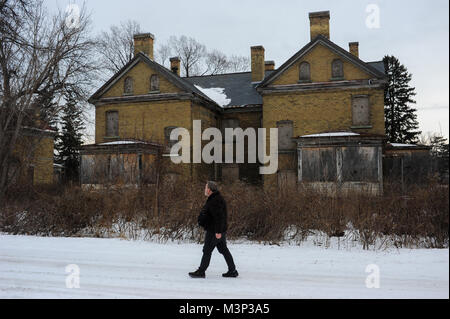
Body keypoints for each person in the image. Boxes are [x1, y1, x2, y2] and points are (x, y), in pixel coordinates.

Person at [189, 181, 238, 278]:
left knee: (207, 250)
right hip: (217, 230)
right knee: (223, 249)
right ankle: (232, 270)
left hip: (214, 231)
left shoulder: (215, 200)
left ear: (209, 189)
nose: (204, 189)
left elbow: (219, 217)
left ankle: (201, 271)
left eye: (205, 187)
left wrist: (218, 232)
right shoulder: (215, 198)